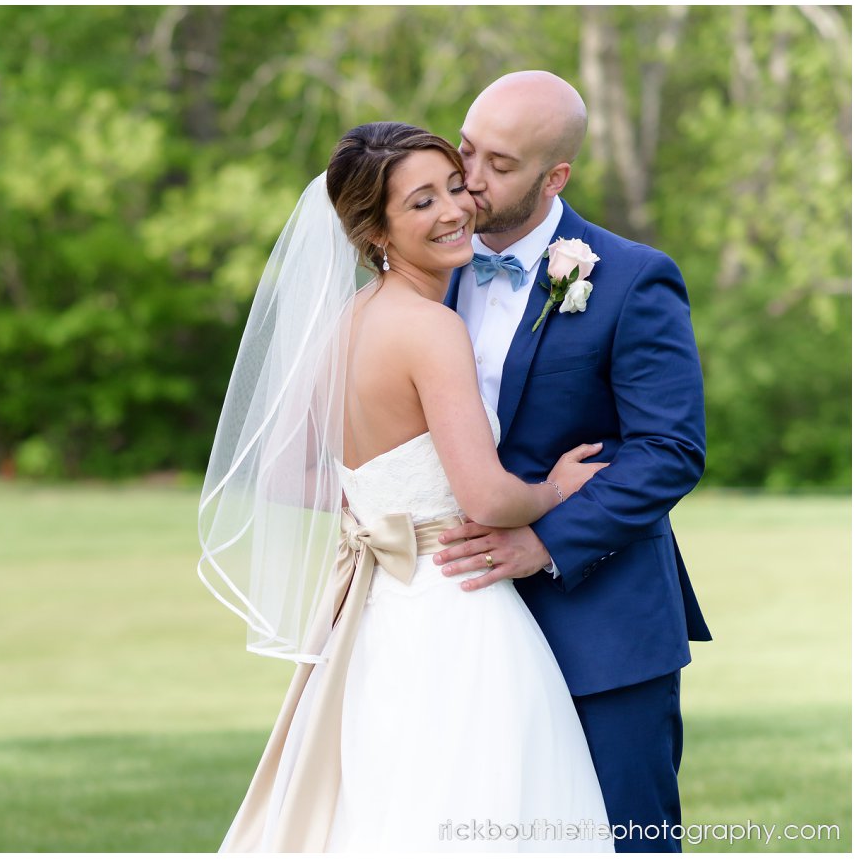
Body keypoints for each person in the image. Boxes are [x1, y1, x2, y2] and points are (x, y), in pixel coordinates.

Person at [198, 122, 615, 852]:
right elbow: (487, 500)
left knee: (390, 802)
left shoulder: (344, 323)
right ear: (375, 231)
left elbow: (283, 474)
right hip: (458, 607)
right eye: (421, 202)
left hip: (378, 613)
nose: (454, 210)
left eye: (454, 187)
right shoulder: (430, 328)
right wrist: (554, 490)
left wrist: (383, 510)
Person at [432, 71, 711, 853]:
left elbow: (669, 450)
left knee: (625, 839)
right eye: (465, 150)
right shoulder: (422, 271)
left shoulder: (632, 278)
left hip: (602, 624)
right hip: (457, 618)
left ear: (554, 177)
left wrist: (543, 542)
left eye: (501, 165)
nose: (470, 178)